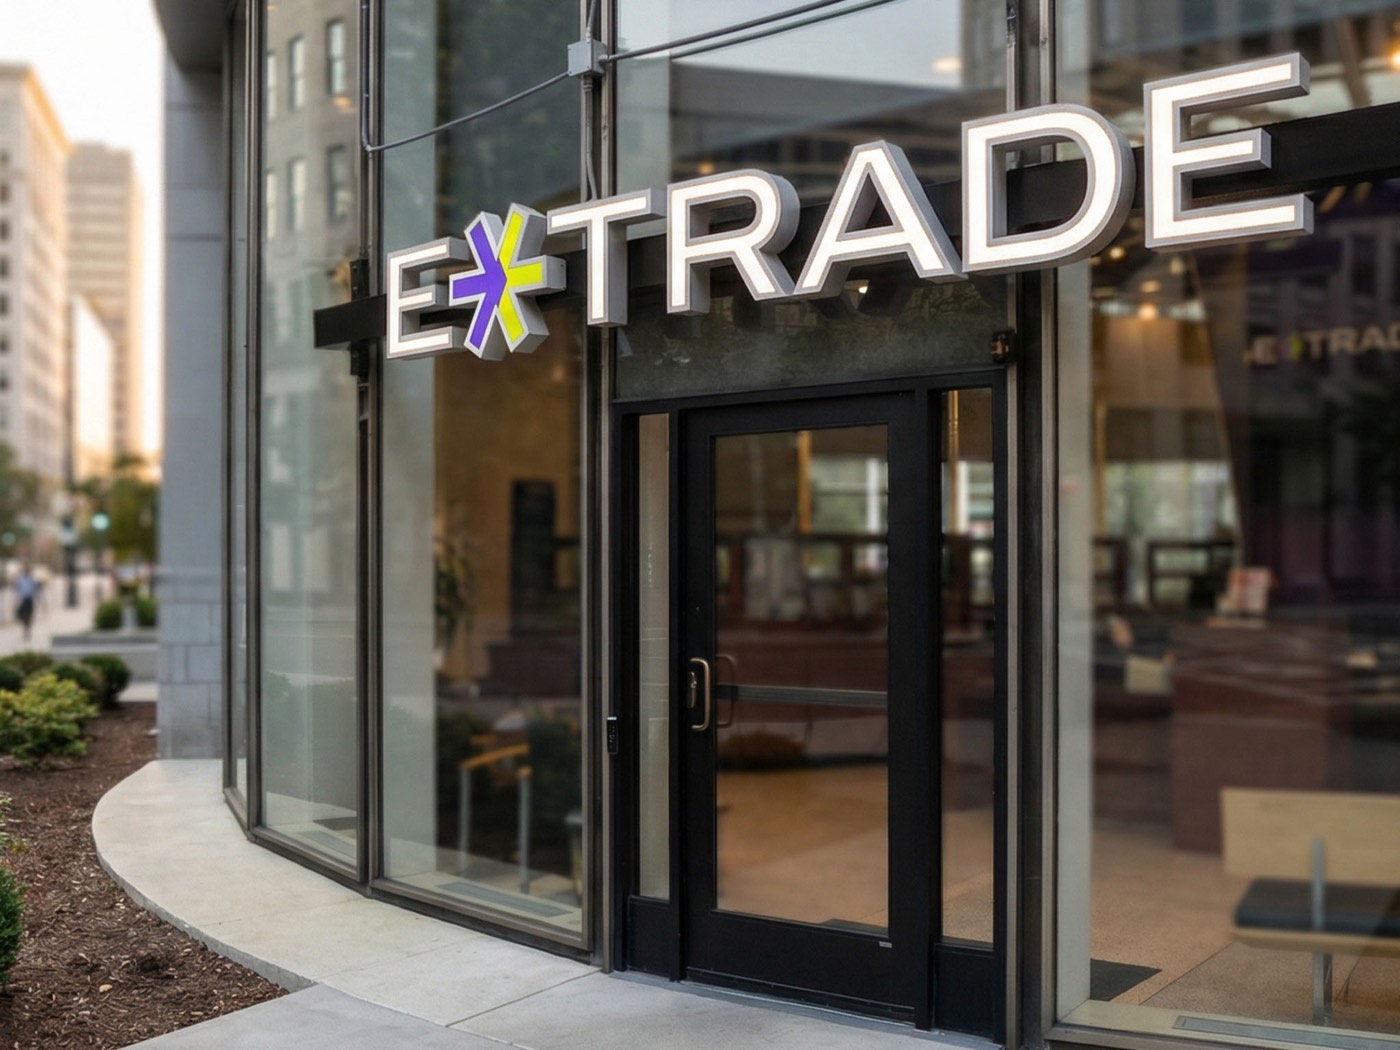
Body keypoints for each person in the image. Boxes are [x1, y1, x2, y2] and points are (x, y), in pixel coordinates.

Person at [14, 565, 38, 641]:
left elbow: (35, 591)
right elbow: (17, 590)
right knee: (22, 615)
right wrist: (15, 602)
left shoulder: (32, 580)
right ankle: (26, 627)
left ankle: (27, 629)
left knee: (29, 616)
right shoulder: (20, 580)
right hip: (23, 600)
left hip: (29, 600)